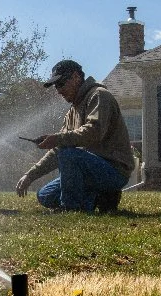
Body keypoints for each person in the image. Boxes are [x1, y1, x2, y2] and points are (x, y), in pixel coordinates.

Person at [15, 59, 134, 213]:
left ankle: (72, 208)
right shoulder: (71, 113)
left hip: (114, 171)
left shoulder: (99, 96)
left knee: (68, 155)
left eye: (61, 84)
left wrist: (57, 139)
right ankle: (100, 197)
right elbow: (58, 149)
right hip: (89, 170)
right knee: (45, 195)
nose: (58, 90)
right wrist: (30, 176)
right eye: (56, 86)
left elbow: (94, 132)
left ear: (76, 77)